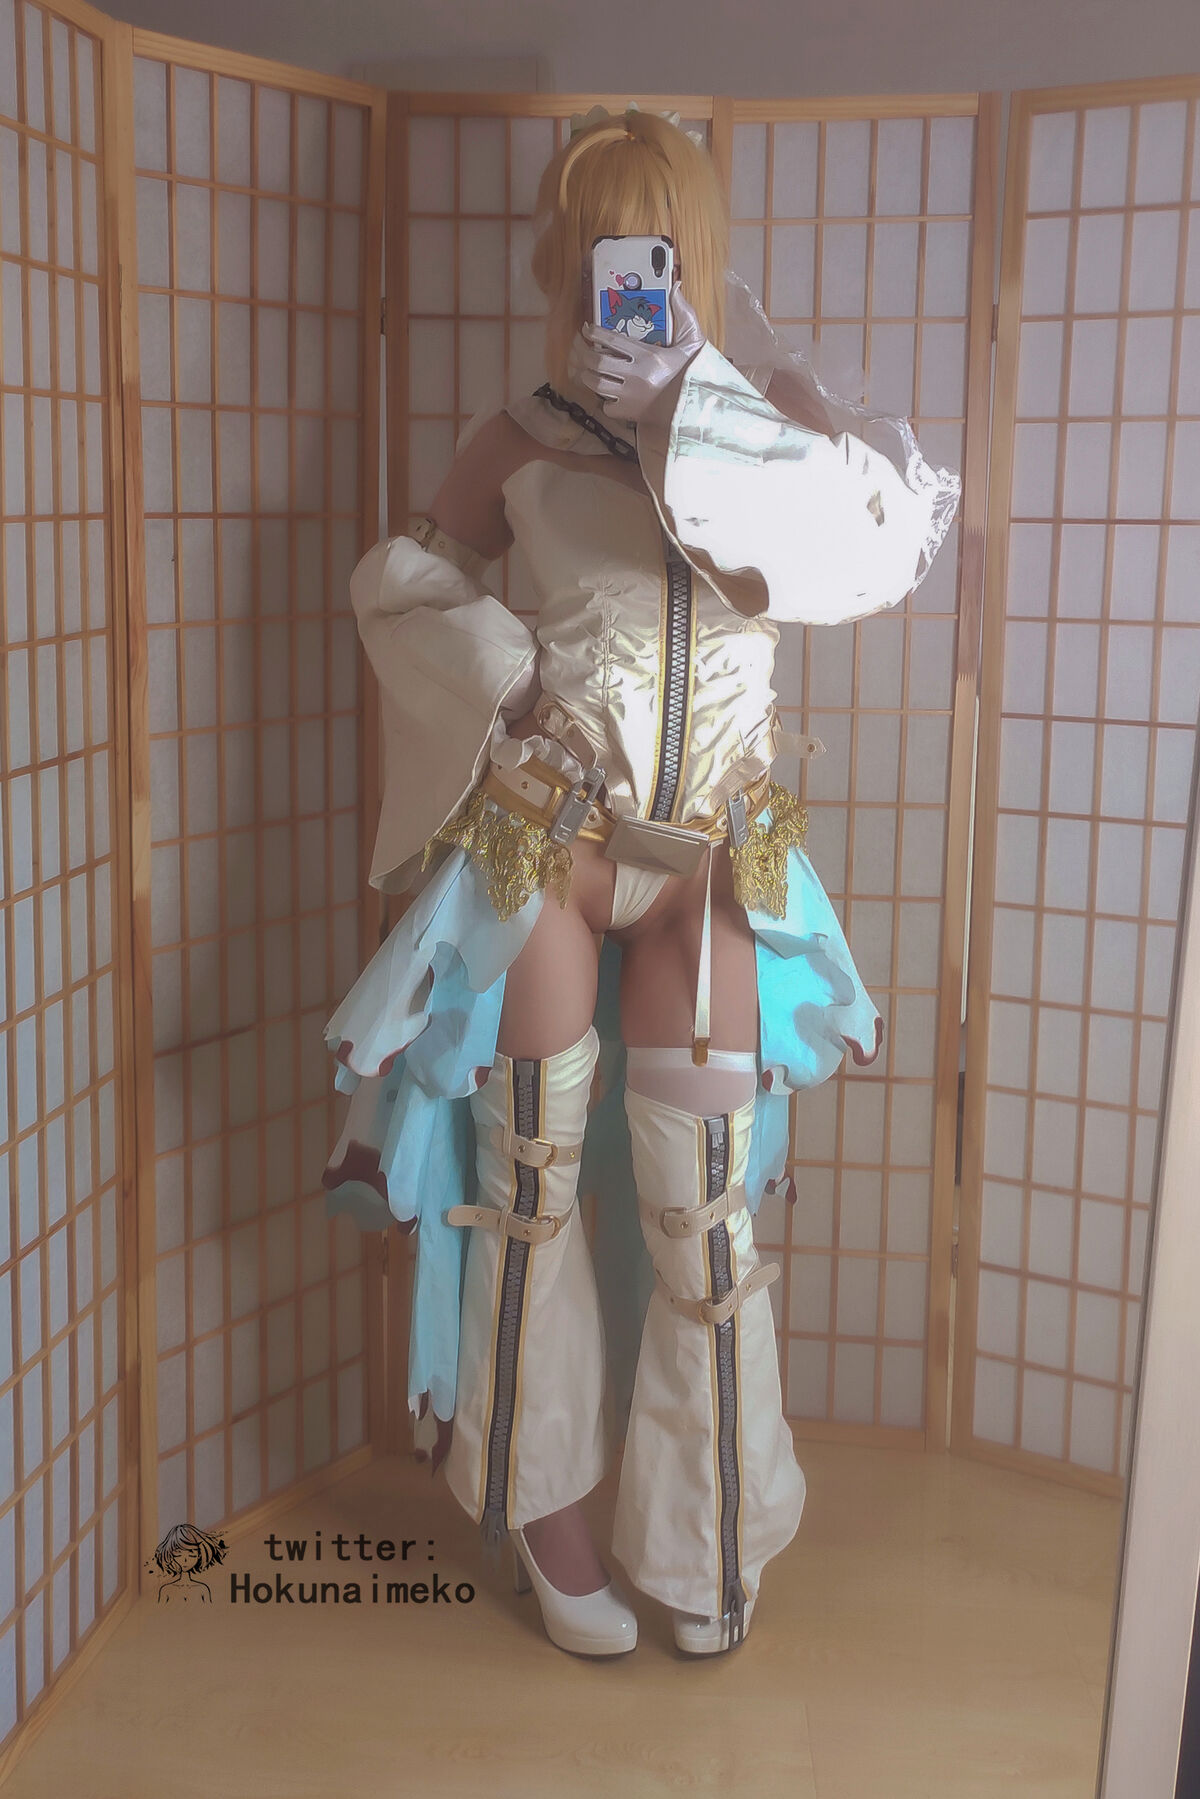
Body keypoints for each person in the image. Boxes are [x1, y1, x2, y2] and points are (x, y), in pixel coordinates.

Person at [322, 108, 959, 1658]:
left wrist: (700, 412)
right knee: (528, 1189)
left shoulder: (783, 429)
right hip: (554, 846)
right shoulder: (522, 436)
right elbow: (402, 585)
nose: (624, 271)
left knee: (703, 1211)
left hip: (711, 865)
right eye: (601, 241)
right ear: (568, 259)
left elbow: (870, 555)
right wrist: (501, 673)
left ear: (694, 254)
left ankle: (706, 1533)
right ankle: (547, 1521)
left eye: (654, 241)